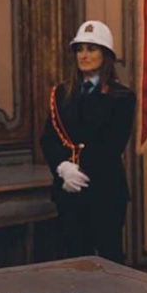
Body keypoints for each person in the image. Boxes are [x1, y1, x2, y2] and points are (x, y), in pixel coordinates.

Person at [41, 20, 136, 264]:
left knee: (109, 261)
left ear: (105, 55)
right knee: (75, 262)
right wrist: (63, 168)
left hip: (104, 191)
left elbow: (111, 145)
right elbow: (49, 138)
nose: (84, 55)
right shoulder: (61, 93)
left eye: (91, 49)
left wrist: (79, 173)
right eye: (80, 49)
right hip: (68, 191)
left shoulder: (122, 97)